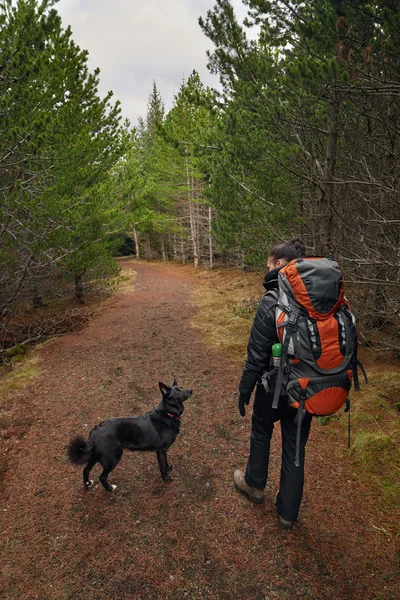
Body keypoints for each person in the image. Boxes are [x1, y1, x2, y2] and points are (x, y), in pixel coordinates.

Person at [233, 237, 312, 530]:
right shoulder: (316, 299)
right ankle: (287, 514)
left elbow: (255, 356)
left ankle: (254, 485)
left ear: (280, 264)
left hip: (273, 387)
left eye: (268, 263)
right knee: (294, 448)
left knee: (261, 431)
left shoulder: (272, 301)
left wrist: (244, 391)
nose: (265, 268)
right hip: (307, 388)